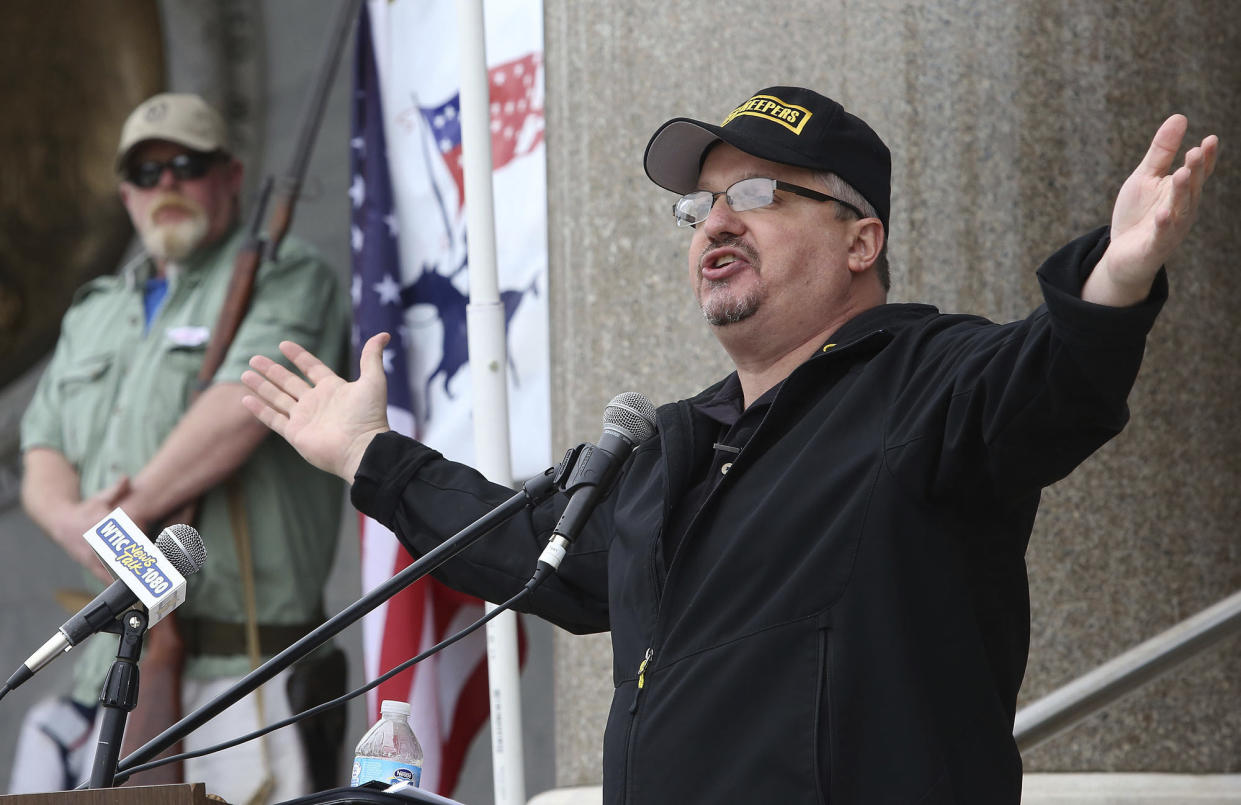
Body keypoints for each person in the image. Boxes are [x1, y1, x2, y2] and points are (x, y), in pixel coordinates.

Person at [239, 87, 1218, 803]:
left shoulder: (928, 378)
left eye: (755, 193)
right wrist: (368, 455)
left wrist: (1111, 283)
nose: (712, 222)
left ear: (858, 239)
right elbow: (523, 548)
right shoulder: (669, 446)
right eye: (697, 205)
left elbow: (1049, 384)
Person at [15, 93, 350, 802]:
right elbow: (41, 443)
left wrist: (117, 517)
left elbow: (240, 408)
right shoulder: (95, 308)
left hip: (247, 671)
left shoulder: (288, 276)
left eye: (185, 165)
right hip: (104, 669)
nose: (165, 183)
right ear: (123, 192)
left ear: (229, 175)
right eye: (146, 171)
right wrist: (73, 521)